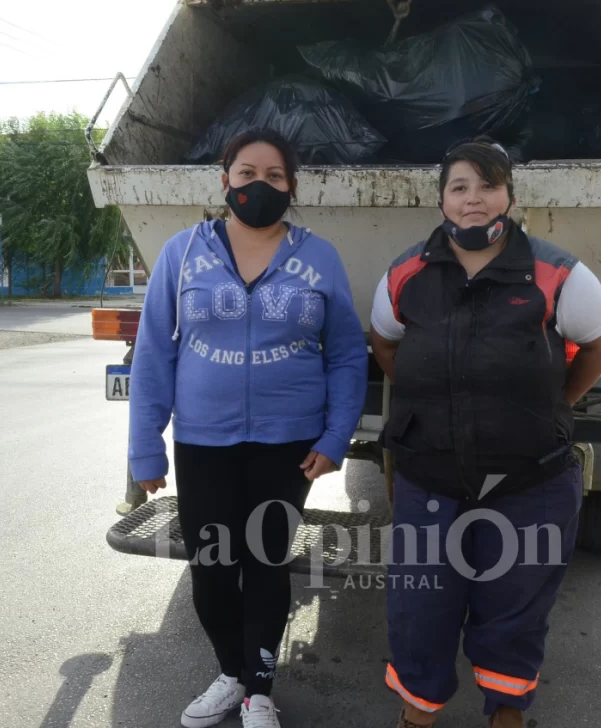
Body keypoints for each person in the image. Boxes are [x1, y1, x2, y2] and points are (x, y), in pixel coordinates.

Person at [370, 137, 601, 728]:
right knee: (420, 609)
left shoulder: (557, 273)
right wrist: (428, 400)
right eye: (460, 187)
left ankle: (506, 719)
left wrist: (558, 402)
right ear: (442, 202)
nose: (474, 199)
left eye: (488, 186)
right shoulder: (408, 274)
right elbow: (385, 342)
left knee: (514, 615)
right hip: (430, 480)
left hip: (529, 485)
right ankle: (416, 718)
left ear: (509, 195)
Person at [127, 128, 368, 728]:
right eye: (247, 173)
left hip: (288, 445)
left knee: (264, 562)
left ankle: (260, 689)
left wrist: (337, 437)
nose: (260, 185)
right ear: (224, 179)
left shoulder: (319, 257)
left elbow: (345, 354)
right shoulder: (183, 254)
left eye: (275, 176)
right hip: (204, 442)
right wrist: (144, 449)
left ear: (292, 186)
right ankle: (231, 673)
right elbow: (155, 352)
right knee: (211, 567)